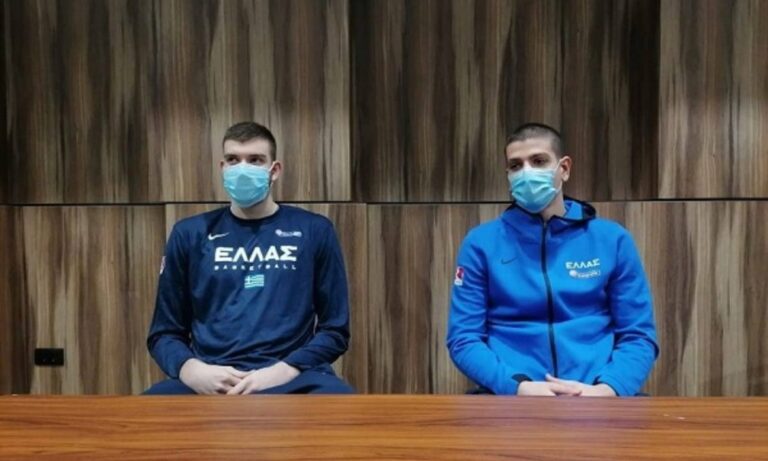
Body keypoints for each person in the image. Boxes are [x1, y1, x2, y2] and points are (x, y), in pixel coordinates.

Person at [447, 123, 658, 397]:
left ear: (564, 168)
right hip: (510, 397)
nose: (526, 172)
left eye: (538, 161)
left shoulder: (612, 240)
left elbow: (638, 335)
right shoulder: (480, 243)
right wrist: (518, 387)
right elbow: (464, 339)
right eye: (516, 165)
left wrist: (607, 389)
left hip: (598, 396)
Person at [144, 121, 353, 395]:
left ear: (274, 170)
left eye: (255, 160)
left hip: (294, 377)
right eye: (233, 160)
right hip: (210, 377)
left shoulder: (314, 230)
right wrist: (192, 370)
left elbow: (335, 330)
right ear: (223, 168)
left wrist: (283, 371)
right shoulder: (189, 234)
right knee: (140, 415)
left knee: (343, 408)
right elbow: (164, 333)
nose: (242, 169)